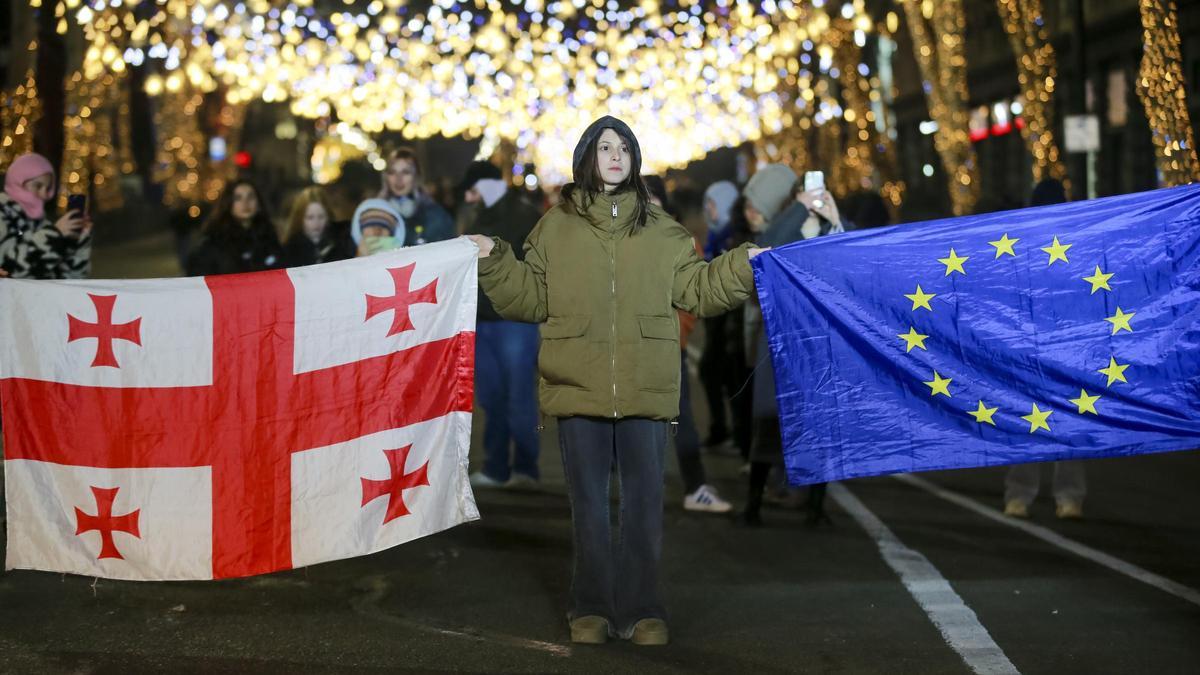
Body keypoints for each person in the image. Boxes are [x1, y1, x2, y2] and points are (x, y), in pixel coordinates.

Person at [467, 116, 766, 646]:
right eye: (604, 147)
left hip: (646, 384)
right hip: (576, 381)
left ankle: (643, 609)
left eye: (623, 147)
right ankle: (591, 607)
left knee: (644, 507)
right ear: (587, 157)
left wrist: (745, 265)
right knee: (587, 507)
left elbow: (698, 290)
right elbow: (529, 298)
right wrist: (495, 259)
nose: (614, 155)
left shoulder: (664, 231)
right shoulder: (554, 227)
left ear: (634, 159)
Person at [739, 164, 843, 527]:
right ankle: (753, 504)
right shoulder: (785, 225)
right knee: (770, 426)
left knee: (821, 426)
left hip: (819, 344)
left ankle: (816, 506)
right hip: (781, 342)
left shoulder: (831, 226)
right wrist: (800, 209)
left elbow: (851, 256)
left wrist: (835, 218)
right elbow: (767, 245)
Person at [644, 175, 733, 514]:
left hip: (668, 346)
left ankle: (695, 486)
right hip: (628, 346)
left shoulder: (681, 240)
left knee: (680, 417)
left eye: (651, 200)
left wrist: (677, 332)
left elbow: (692, 296)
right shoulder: (619, 238)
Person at [458, 160, 545, 489]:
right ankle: (496, 466)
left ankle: (524, 466)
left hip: (514, 321)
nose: (469, 197)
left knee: (518, 395)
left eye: (473, 190)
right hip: (483, 319)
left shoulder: (523, 215)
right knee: (491, 397)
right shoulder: (477, 213)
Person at [1004, 177, 1086, 520]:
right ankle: (1067, 497)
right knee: (1064, 418)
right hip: (1059, 345)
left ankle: (1021, 496)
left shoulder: (1023, 244)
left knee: (1031, 419)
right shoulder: (1064, 243)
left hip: (1041, 344)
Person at [697, 180, 744, 452]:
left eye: (712, 205)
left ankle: (733, 433)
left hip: (728, 318)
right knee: (715, 373)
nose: (708, 210)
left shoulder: (732, 236)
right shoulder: (716, 236)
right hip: (716, 317)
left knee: (725, 375)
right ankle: (725, 430)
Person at [0, 152, 91, 280]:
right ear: (19, 182)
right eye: (38, 186)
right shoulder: (3, 215)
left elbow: (70, 279)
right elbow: (9, 270)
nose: (44, 194)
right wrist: (54, 234)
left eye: (48, 188)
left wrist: (79, 241)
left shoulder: (42, 224)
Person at [185, 179, 284, 277]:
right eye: (238, 198)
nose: (245, 203)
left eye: (251, 197)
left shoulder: (269, 237)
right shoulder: (215, 242)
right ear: (228, 204)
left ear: (259, 204)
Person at [379, 148, 455, 246]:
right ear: (385, 177)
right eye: (392, 172)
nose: (398, 179)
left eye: (406, 172)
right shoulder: (375, 214)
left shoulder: (436, 216)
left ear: (417, 177)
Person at [282, 186, 355, 267]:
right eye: (310, 217)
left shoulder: (343, 242)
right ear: (300, 218)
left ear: (328, 217)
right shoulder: (289, 251)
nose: (316, 223)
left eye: (321, 216)